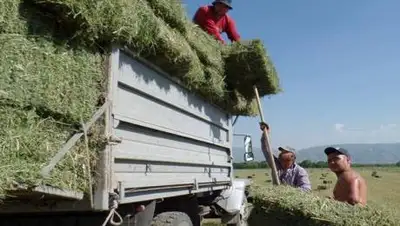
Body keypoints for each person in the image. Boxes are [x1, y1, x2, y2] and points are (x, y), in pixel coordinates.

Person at [260, 122, 312, 192]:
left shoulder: (299, 171)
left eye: (287, 159)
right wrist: (265, 133)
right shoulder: (276, 166)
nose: (283, 161)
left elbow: (306, 189)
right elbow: (266, 150)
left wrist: (287, 192)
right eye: (281, 158)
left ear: (293, 159)